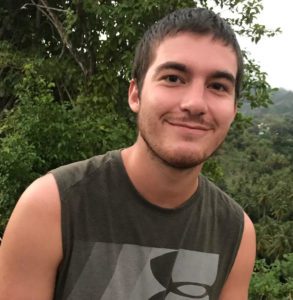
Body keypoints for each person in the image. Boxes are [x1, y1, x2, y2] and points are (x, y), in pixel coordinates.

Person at [0, 7, 256, 300]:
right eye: (173, 78)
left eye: (218, 86)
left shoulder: (236, 232)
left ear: (234, 109)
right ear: (135, 94)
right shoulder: (52, 207)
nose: (195, 103)